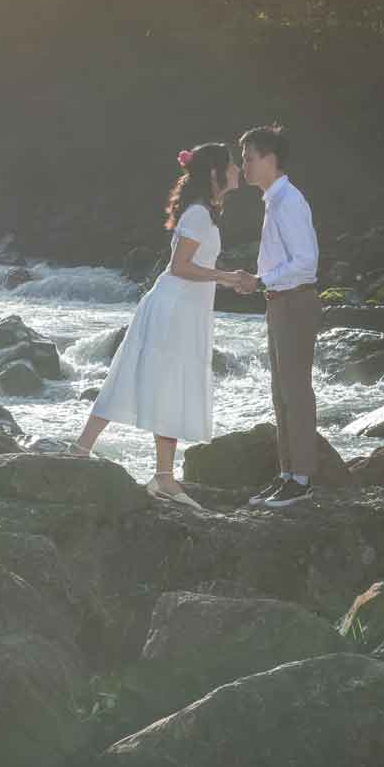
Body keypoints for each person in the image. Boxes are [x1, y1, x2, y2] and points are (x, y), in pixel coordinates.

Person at [73, 143, 257, 508]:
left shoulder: (205, 213)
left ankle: (160, 476)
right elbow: (180, 267)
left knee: (160, 382)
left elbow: (193, 267)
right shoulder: (199, 215)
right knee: (138, 374)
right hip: (173, 308)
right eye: (232, 165)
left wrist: (230, 281)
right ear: (214, 173)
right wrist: (229, 275)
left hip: (185, 308)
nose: (237, 169)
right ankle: (84, 451)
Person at [239, 124, 321, 507]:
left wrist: (260, 281)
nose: (243, 166)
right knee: (280, 395)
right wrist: (262, 284)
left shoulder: (289, 201)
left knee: (296, 393)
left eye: (249, 158)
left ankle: (301, 480)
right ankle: (288, 474)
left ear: (270, 159)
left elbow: (306, 262)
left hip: (295, 301)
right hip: (279, 301)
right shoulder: (274, 199)